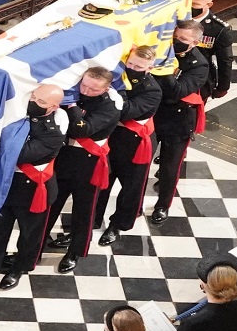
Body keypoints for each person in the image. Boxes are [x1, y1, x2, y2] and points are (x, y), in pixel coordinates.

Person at [0, 83, 67, 299]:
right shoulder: (18, 116)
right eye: (33, 97)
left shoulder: (53, 132)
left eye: (41, 102)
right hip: (7, 184)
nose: (33, 102)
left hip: (33, 191)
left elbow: (19, 154)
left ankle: (19, 268)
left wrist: (37, 120)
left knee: (30, 235)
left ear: (54, 107)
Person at [43, 67, 121, 273]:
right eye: (83, 85)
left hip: (89, 164)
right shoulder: (75, 92)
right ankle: (37, 244)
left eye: (93, 89)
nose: (86, 91)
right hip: (64, 157)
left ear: (106, 88)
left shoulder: (110, 106)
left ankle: (75, 251)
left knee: (83, 211)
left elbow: (82, 129)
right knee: (51, 203)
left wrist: (71, 105)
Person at [149, 19, 213, 225]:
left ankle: (162, 205)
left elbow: (179, 91)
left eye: (184, 40)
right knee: (140, 163)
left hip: (178, 120)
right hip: (153, 114)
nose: (178, 42)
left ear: (194, 43)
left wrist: (164, 69)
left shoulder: (199, 65)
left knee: (169, 168)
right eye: (176, 37)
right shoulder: (161, 50)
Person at [96, 45, 161, 245]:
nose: (131, 68)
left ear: (149, 68)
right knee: (101, 182)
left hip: (135, 144)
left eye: (138, 66)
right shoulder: (117, 75)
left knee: (131, 187)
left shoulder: (152, 91)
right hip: (112, 137)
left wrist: (119, 88)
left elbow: (126, 111)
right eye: (130, 63)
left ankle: (118, 225)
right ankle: (92, 220)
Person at [186, 0, 234, 96]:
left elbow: (225, 60)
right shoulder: (178, 17)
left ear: (209, 5)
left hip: (200, 75)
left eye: (196, 5)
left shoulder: (219, 29)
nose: (191, 7)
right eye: (190, 3)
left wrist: (223, 87)